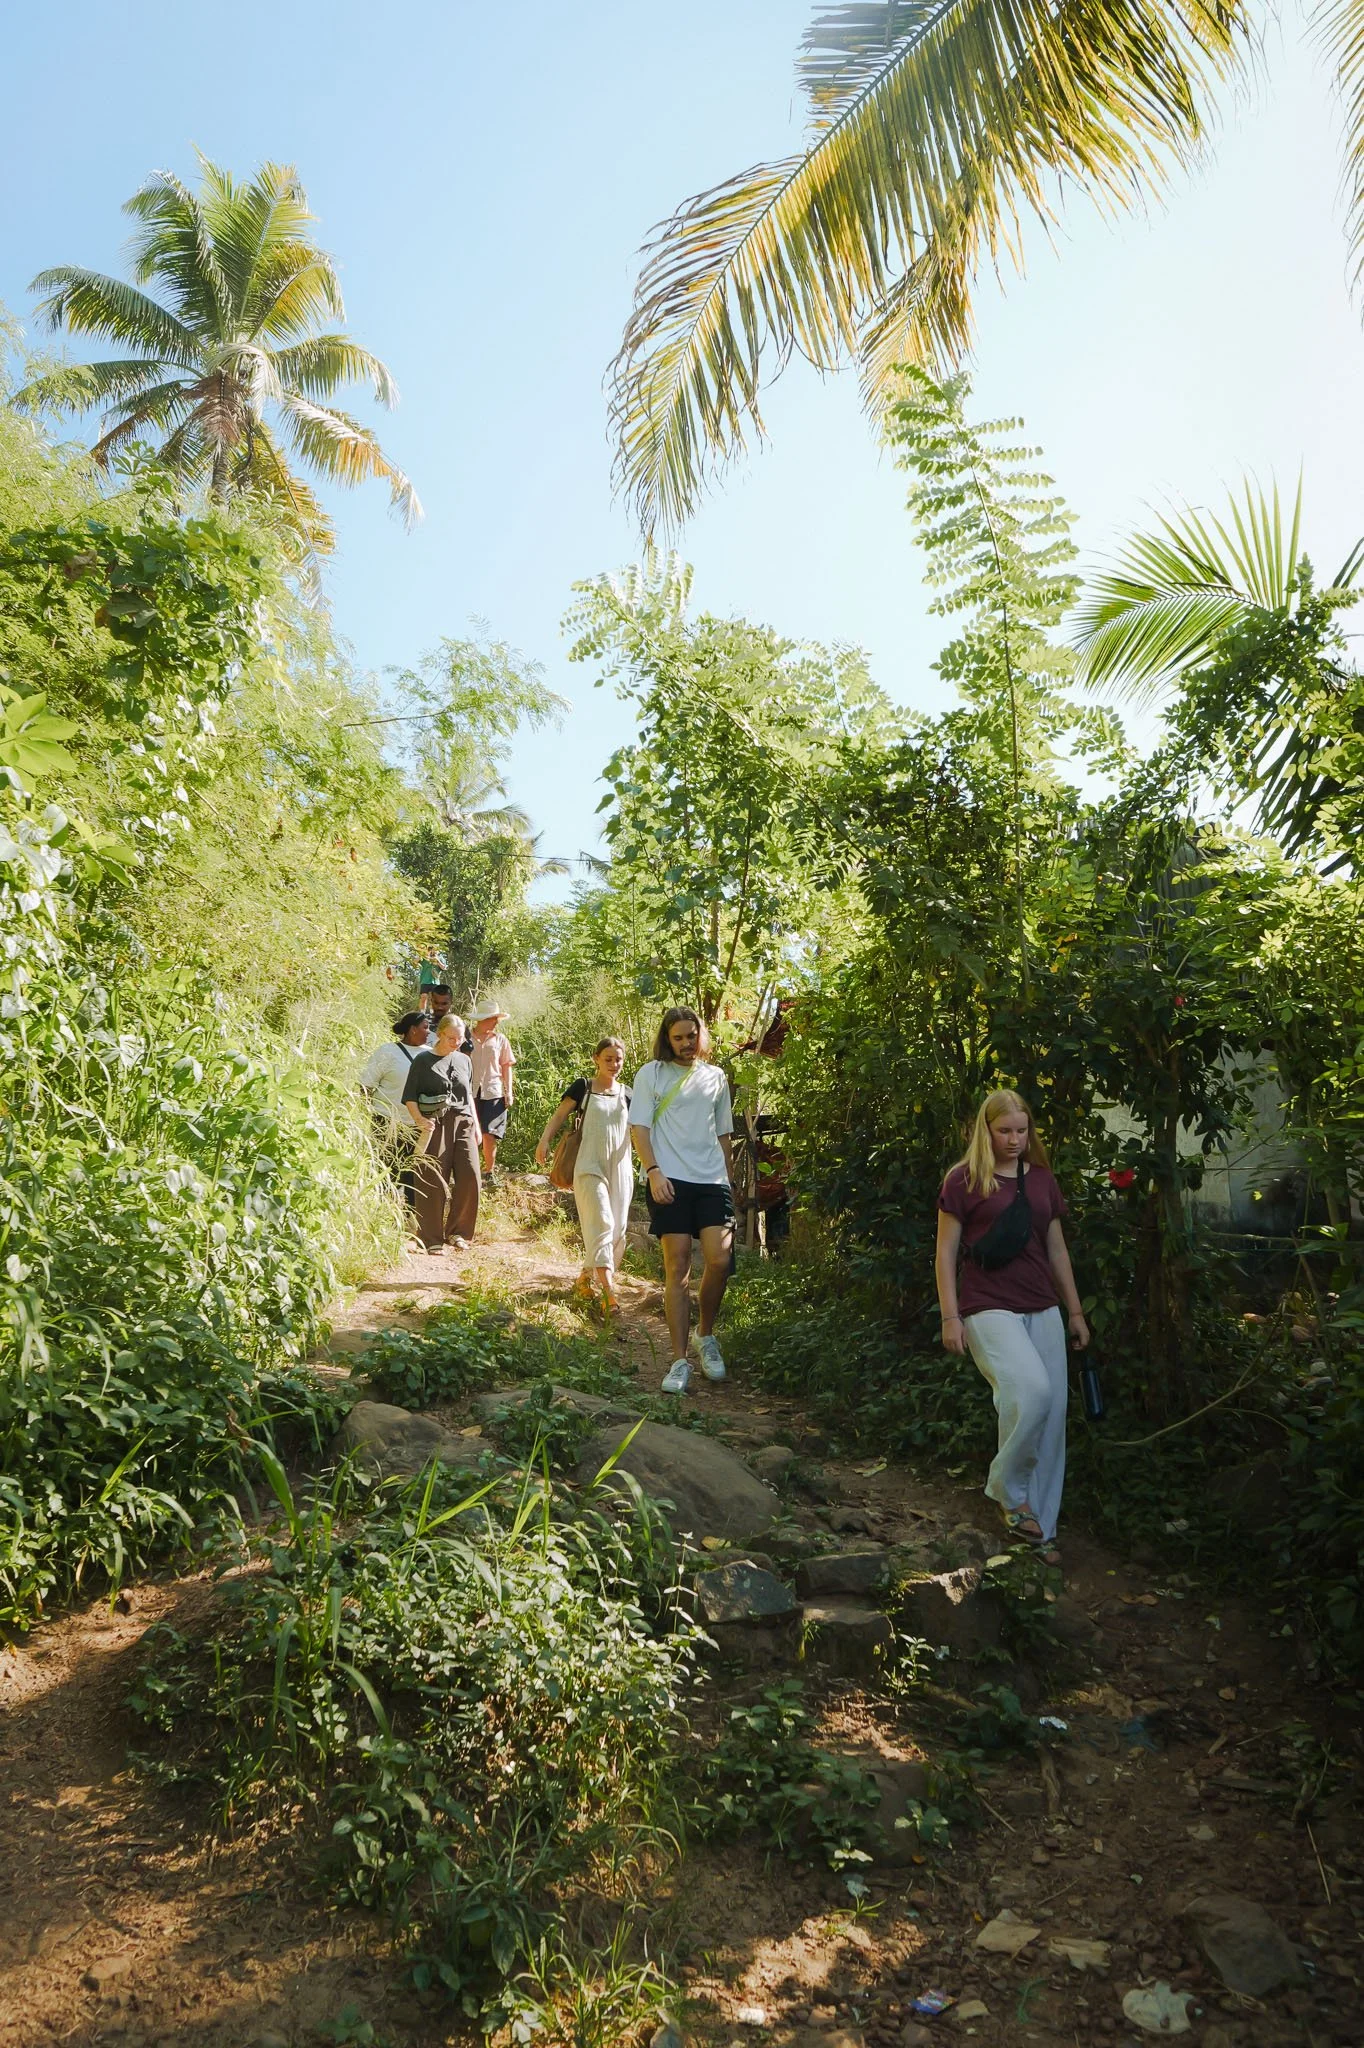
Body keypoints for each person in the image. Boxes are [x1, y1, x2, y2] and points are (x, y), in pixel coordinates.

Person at [934, 1089, 1090, 1569]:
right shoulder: (963, 1180)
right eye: (1005, 1131)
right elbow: (944, 1253)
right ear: (986, 1130)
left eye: (1022, 1130)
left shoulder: (1042, 1180)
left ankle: (1039, 1531)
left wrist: (1076, 1312)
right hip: (987, 1307)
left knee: (1052, 1417)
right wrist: (950, 1316)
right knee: (1032, 1392)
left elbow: (1057, 1250)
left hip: (1042, 1306)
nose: (1014, 1139)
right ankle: (1006, 1488)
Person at [629, 1006, 736, 1394]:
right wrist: (653, 1171)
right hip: (669, 1178)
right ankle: (678, 1361)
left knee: (719, 1261)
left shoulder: (716, 1077)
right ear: (667, 1039)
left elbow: (723, 1134)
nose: (687, 1043)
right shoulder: (651, 1074)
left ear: (700, 1035)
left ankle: (704, 1335)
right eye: (679, 1037)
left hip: (711, 1180)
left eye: (692, 1035)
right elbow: (639, 1128)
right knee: (677, 1267)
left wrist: (729, 1182)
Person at [536, 1037, 634, 1313]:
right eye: (608, 1059)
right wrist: (544, 1140)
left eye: (618, 1059)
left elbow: (641, 1131)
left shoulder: (628, 1094)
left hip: (620, 1168)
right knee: (602, 1222)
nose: (614, 1064)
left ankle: (585, 1277)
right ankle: (609, 1294)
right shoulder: (583, 1087)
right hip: (588, 1165)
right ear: (596, 1059)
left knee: (618, 1229)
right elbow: (559, 1116)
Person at [401, 1012, 480, 1253]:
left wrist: (476, 1125)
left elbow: (469, 1096)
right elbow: (409, 1096)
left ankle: (458, 1232)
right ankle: (431, 1238)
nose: (456, 1043)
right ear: (439, 1034)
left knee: (470, 1177)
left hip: (464, 1122)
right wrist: (419, 1120)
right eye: (451, 1038)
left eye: (460, 1038)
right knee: (432, 1179)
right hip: (435, 1122)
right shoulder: (423, 1060)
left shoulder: (464, 1060)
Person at [359, 1010, 430, 1186]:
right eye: (425, 1027)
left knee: (408, 1173)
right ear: (413, 1029)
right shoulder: (387, 1052)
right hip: (386, 1121)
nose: (429, 1032)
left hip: (417, 1125)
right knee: (383, 1170)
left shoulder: (430, 1054)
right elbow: (366, 1085)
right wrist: (366, 1114)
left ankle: (403, 1202)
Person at [469, 998, 516, 1174]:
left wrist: (508, 1092)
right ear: (483, 1019)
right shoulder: (466, 1038)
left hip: (494, 1091)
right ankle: (471, 1171)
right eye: (493, 1019)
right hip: (470, 1091)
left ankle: (489, 1171)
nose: (496, 1022)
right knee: (471, 1132)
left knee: (490, 1134)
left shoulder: (500, 1040)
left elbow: (506, 1065)